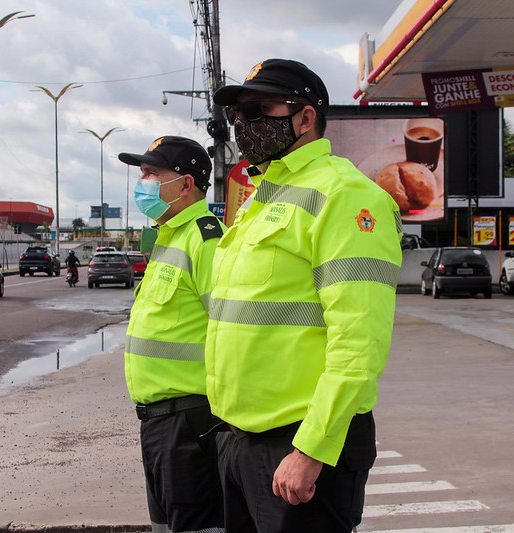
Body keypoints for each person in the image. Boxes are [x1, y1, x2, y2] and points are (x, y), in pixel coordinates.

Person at [205, 59, 403, 532]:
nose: (245, 123)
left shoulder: (346, 196)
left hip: (300, 448)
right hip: (241, 442)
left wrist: (311, 449)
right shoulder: (262, 197)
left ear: (305, 117)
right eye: (238, 114)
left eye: (259, 108)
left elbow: (358, 343)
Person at [118, 136, 225, 533]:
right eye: (141, 173)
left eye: (151, 173)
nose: (142, 182)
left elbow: (228, 330)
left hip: (193, 423)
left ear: (185, 185)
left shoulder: (205, 238)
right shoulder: (169, 237)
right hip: (159, 424)